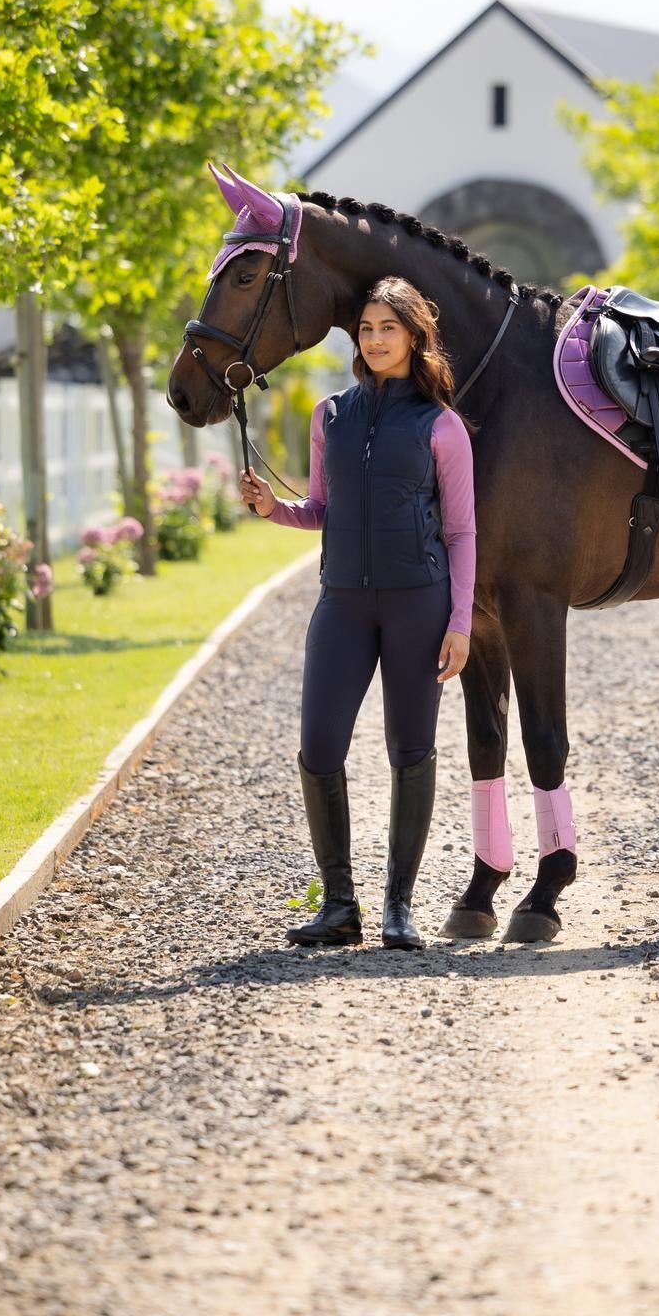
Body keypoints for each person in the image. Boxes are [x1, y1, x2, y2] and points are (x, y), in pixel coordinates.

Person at [240, 277, 474, 951]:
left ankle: (398, 905)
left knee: (410, 749)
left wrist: (459, 621)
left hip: (418, 604)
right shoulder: (330, 416)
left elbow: (461, 532)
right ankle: (340, 906)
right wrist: (269, 508)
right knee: (318, 748)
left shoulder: (441, 425)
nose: (373, 339)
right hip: (341, 602)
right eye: (366, 328)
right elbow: (321, 510)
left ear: (413, 337)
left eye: (387, 328)